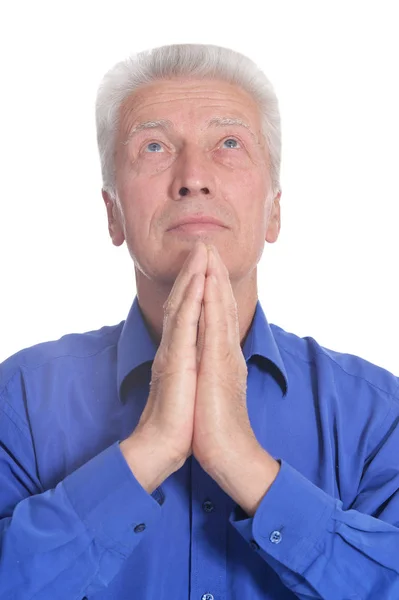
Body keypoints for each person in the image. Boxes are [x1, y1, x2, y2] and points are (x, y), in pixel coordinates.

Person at [0, 43, 398, 600]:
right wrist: (150, 449)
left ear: (274, 211)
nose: (193, 178)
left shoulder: (380, 417)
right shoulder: (19, 400)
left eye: (229, 143)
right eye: (155, 146)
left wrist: (245, 464)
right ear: (113, 213)